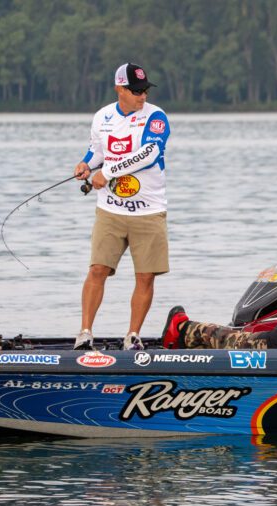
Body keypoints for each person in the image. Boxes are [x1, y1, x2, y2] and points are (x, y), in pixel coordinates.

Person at [73, 63, 171, 351]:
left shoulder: (156, 117)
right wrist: (86, 165)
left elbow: (150, 153)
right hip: (110, 212)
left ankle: (132, 337)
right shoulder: (102, 117)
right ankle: (85, 333)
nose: (142, 96)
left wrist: (110, 171)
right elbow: (96, 151)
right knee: (97, 270)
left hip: (149, 211)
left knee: (145, 277)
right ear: (120, 89)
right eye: (136, 91)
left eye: (145, 90)